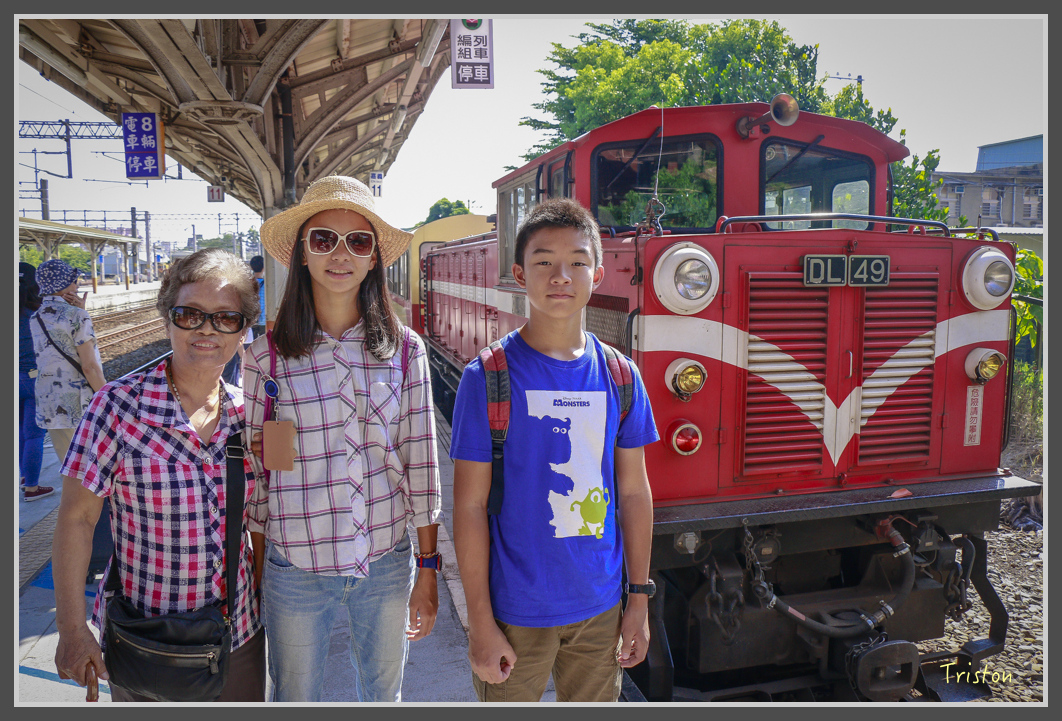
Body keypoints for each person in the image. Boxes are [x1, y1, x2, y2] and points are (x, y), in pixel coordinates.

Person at [449, 197, 659, 702]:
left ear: (598, 275)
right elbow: (469, 506)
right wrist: (480, 622)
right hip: (514, 611)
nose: (561, 276)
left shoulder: (621, 376)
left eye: (577, 262)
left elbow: (634, 494)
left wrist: (638, 599)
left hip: (600, 608)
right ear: (520, 274)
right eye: (544, 261)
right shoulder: (487, 377)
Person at [244, 174, 442, 702]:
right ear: (302, 253)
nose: (340, 254)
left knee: (383, 698)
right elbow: (261, 481)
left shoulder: (406, 352)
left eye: (357, 241)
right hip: (295, 566)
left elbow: (422, 465)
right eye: (323, 239)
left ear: (374, 257)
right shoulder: (265, 360)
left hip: (385, 558)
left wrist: (428, 568)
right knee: (294, 699)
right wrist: (258, 575)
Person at [51, 248, 266, 702]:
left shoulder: (249, 413)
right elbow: (76, 518)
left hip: (236, 635)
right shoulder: (117, 406)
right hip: (144, 640)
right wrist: (71, 628)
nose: (207, 329)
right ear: (167, 319)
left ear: (243, 330)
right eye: (189, 315)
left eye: (226, 318)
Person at [30, 259, 106, 469]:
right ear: (62, 284)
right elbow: (89, 367)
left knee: (69, 468)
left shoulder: (36, 317)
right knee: (92, 469)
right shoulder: (77, 315)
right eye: (73, 281)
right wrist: (107, 396)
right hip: (78, 404)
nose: (77, 285)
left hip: (50, 402)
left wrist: (81, 311)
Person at [18, 262, 50, 501]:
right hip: (33, 381)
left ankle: (24, 475)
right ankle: (31, 487)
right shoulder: (38, 316)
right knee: (34, 435)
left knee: (20, 431)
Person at [249, 254, 266, 336]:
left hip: (251, 321)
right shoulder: (268, 285)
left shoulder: (247, 284)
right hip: (265, 320)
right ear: (264, 268)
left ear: (251, 268)